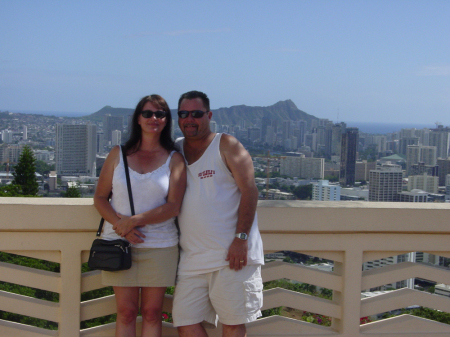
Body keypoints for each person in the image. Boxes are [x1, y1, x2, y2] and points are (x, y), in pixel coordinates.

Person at [172, 91, 264, 337]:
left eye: (197, 114)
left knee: (233, 324)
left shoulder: (226, 144)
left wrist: (241, 239)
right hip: (192, 259)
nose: (190, 119)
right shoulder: (175, 150)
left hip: (231, 256)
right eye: (184, 114)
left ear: (209, 115)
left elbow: (250, 191)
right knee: (185, 321)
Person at [94, 94, 186, 337]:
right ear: (137, 118)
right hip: (119, 243)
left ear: (167, 120)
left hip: (160, 245)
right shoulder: (118, 154)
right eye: (147, 113)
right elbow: (100, 198)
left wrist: (134, 221)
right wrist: (120, 226)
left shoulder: (174, 159)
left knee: (153, 312)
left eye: (160, 114)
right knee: (125, 311)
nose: (153, 118)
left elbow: (173, 206)